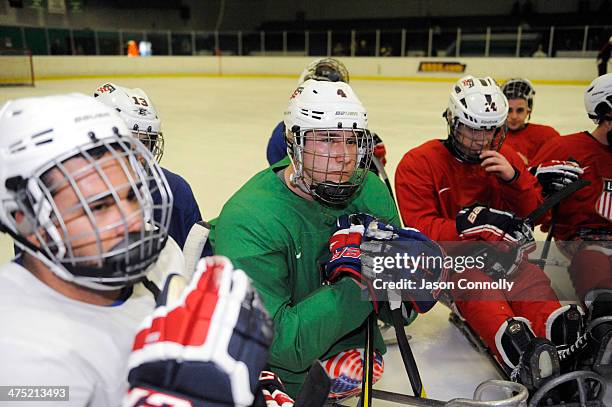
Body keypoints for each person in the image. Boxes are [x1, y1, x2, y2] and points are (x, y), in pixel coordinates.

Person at [211, 79, 444, 398]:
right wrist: (360, 280)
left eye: (352, 141)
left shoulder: (371, 191)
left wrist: (411, 280)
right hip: (281, 381)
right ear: (294, 142)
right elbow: (279, 346)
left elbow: (397, 313)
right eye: (328, 140)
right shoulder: (250, 218)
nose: (344, 156)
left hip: (357, 355)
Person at [394, 76, 582, 394]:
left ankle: (561, 335)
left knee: (531, 282)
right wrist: (471, 224)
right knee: (482, 292)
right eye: (474, 129)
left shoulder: (502, 156)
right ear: (453, 122)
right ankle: (518, 349)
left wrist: (515, 179)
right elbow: (421, 231)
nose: (483, 139)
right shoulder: (418, 163)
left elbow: (532, 217)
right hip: (453, 265)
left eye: (492, 130)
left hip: (503, 257)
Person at [0, 93, 181, 406]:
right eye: (97, 207)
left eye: (132, 195)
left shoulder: (162, 256)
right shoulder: (18, 355)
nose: (133, 220)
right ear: (26, 219)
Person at [530, 73, 612, 374]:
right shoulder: (566, 148)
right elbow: (532, 203)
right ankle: (605, 325)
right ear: (604, 114)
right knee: (594, 262)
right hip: (583, 241)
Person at [93, 82, 204, 251]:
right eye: (127, 142)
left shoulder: (174, 190)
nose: (138, 154)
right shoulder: (72, 195)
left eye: (145, 142)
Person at [266, 58, 387, 178]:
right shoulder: (283, 134)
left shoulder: (358, 136)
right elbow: (282, 176)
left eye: (350, 141)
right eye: (327, 140)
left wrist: (368, 156)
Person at [501, 78, 560, 166]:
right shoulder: (490, 137)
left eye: (520, 110)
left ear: (528, 110)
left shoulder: (547, 136)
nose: (514, 116)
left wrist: (529, 164)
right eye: (509, 110)